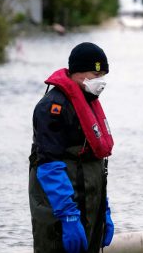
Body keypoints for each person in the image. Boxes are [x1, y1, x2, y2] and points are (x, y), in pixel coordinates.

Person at [29, 42, 114, 253]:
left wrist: (104, 209)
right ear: (76, 73)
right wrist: (68, 214)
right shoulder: (52, 107)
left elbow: (95, 162)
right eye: (94, 75)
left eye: (103, 74)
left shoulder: (89, 102)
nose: (100, 81)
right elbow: (49, 166)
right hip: (61, 209)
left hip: (90, 204)